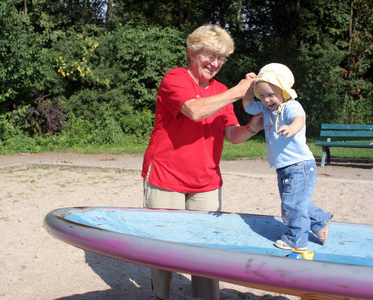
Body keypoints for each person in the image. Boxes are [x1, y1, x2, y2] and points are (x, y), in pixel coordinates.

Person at [141, 24, 263, 300]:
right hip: (165, 176)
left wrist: (253, 126)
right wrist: (240, 90)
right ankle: (161, 296)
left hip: (206, 181)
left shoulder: (220, 90)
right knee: (164, 247)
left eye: (221, 58)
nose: (216, 63)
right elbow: (194, 110)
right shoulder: (175, 79)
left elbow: (232, 134)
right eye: (210, 55)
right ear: (192, 53)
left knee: (208, 251)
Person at [243, 63, 333, 251]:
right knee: (296, 202)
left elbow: (299, 119)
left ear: (284, 91)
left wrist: (292, 128)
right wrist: (249, 86)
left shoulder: (291, 106)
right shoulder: (266, 109)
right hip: (285, 166)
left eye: (271, 94)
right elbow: (249, 106)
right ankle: (319, 222)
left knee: (292, 204)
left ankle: (297, 239)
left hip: (299, 165)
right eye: (263, 95)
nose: (267, 99)